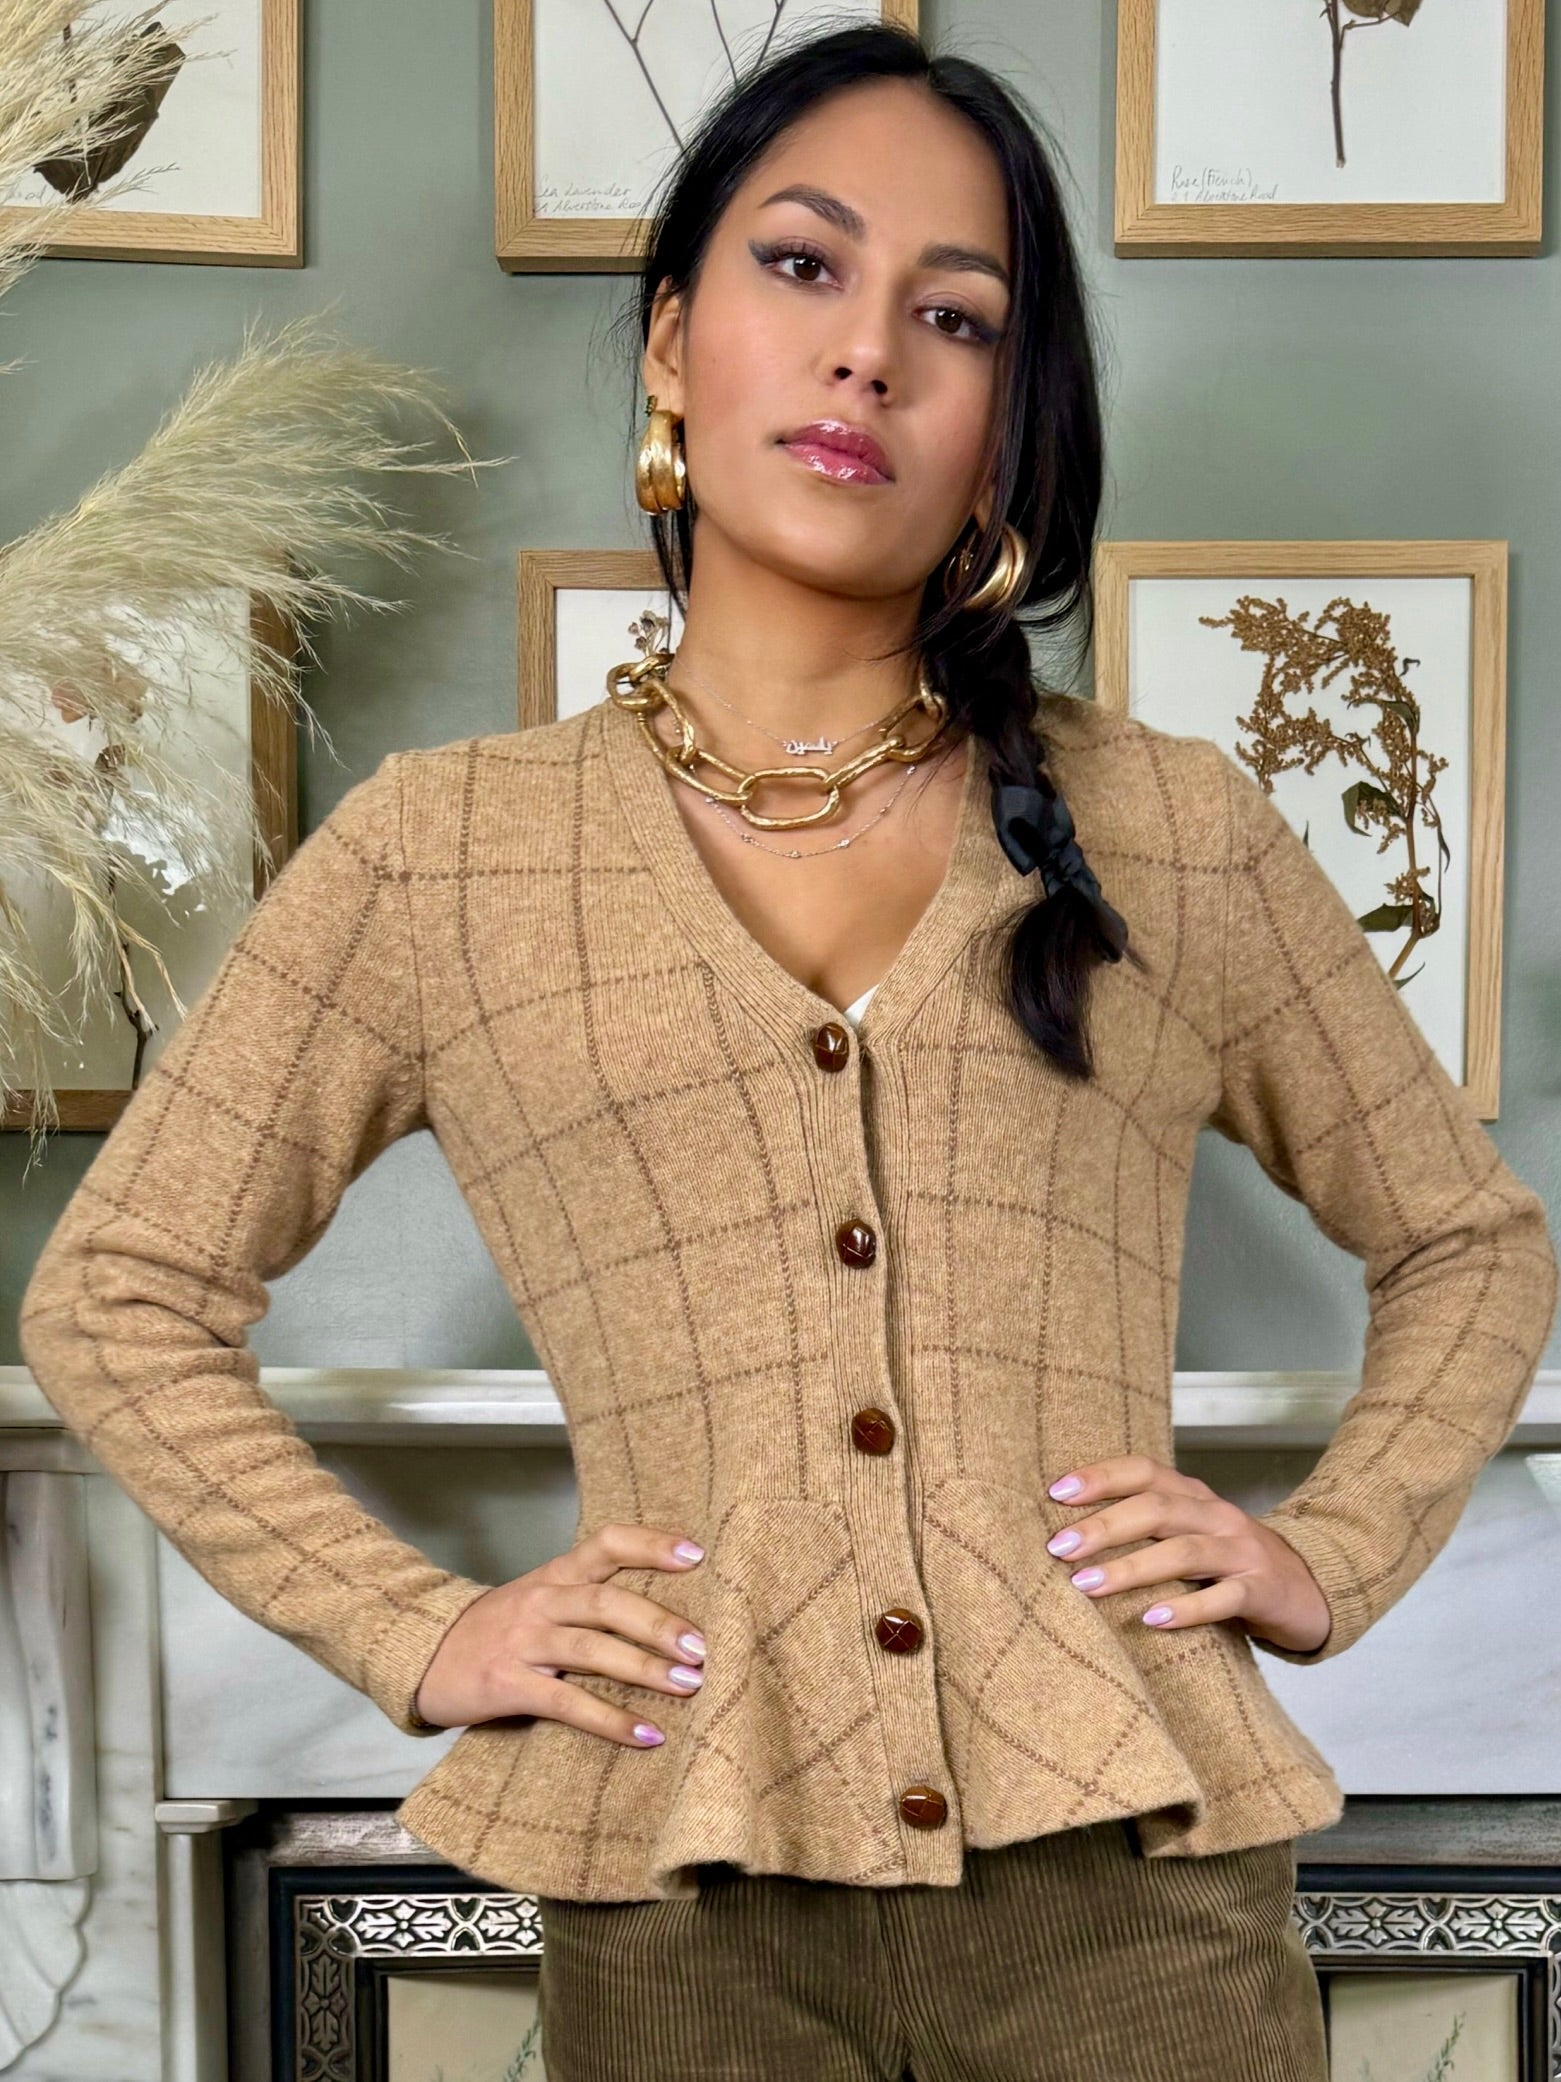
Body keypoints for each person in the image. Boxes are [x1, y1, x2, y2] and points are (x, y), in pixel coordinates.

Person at [17, 21, 1556, 2082]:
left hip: (1140, 1910)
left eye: (957, 315)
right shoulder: (439, 856)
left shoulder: (1171, 826)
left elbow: (1466, 1238)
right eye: (802, 266)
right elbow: (117, 1294)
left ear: (1005, 428)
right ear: (672, 342)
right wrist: (418, 1627)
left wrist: (1328, 1550)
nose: (867, 356)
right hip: (680, 1904)